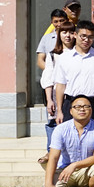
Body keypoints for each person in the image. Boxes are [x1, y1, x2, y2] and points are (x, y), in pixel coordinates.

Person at [53, 21, 94, 124]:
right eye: (83, 36)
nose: (86, 40)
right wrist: (59, 111)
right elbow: (60, 85)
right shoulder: (64, 58)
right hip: (71, 104)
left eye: (90, 37)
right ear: (75, 35)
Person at [39, 22, 76, 163]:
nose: (68, 36)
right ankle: (51, 152)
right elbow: (48, 77)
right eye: (64, 32)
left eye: (71, 32)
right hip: (56, 95)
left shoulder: (78, 53)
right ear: (59, 35)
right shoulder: (54, 55)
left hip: (73, 95)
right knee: (53, 123)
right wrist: (49, 99)